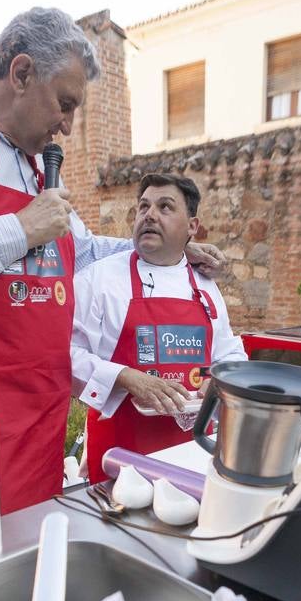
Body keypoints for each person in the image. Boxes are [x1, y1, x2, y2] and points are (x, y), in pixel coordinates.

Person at [0, 8, 225, 515]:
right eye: (65, 104)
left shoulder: (34, 165)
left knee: (32, 563)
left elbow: (83, 251)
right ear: (23, 73)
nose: (69, 127)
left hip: (42, 426)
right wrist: (18, 229)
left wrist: (166, 252)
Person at [71, 173, 247, 483]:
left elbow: (228, 352)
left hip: (191, 449)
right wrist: (126, 377)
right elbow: (64, 353)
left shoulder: (205, 286)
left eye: (165, 207)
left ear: (192, 227)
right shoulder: (98, 279)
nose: (150, 214)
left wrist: (220, 381)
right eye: (143, 207)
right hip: (119, 453)